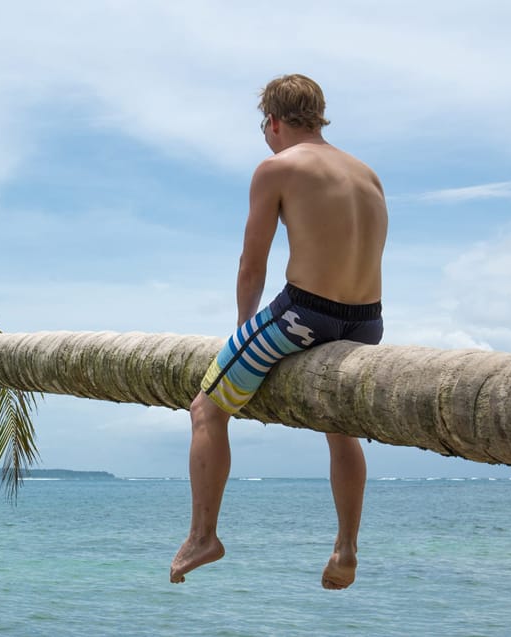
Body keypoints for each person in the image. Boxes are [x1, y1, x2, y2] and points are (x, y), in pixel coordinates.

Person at [169, 74, 388, 589]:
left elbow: (253, 263)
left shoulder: (276, 167)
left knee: (206, 406)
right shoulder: (368, 174)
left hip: (304, 314)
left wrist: (243, 331)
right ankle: (345, 548)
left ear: (272, 121)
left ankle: (205, 535)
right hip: (368, 319)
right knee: (341, 427)